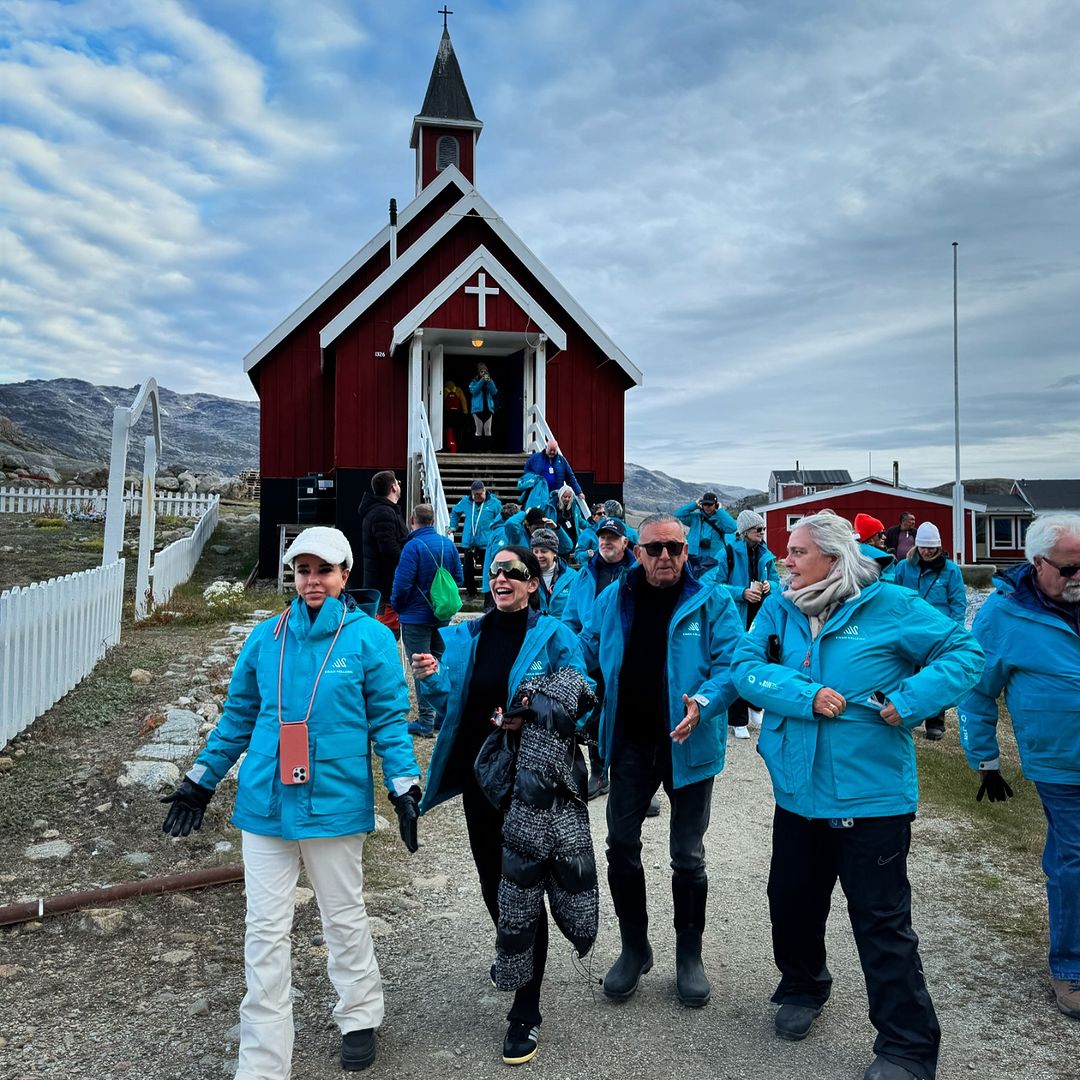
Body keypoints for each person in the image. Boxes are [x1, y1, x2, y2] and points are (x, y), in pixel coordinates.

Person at [160, 526, 421, 1077]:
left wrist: (404, 786)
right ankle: (263, 1060)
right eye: (302, 570)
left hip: (333, 801)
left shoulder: (369, 639)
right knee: (264, 928)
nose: (312, 580)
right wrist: (200, 781)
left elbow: (390, 725)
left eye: (323, 570)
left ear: (344, 574)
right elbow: (236, 719)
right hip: (266, 801)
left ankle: (359, 1014)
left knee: (342, 916)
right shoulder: (265, 638)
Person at [732, 512, 983, 1080]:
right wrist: (806, 693)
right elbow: (746, 668)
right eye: (785, 552)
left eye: (796, 552)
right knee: (791, 901)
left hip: (872, 800)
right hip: (797, 791)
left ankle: (907, 1048)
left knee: (881, 923)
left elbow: (964, 652)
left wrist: (913, 697)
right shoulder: (780, 604)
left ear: (833, 557)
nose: (784, 562)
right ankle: (802, 985)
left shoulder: (889, 604)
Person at [410, 546, 588, 1066]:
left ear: (533, 583)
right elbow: (453, 704)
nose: (501, 578)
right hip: (478, 778)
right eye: (494, 572)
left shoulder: (554, 636)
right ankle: (515, 951)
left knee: (524, 888)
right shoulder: (467, 635)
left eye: (514, 572)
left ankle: (525, 1009)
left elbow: (584, 689)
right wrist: (432, 676)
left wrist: (535, 704)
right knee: (494, 884)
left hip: (529, 783)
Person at [579, 513, 743, 1008]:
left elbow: (735, 664)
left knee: (687, 855)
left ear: (687, 550)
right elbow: (586, 653)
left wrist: (707, 701)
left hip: (688, 744)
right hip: (629, 743)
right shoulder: (615, 600)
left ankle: (688, 956)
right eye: (655, 549)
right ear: (638, 550)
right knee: (620, 844)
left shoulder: (712, 601)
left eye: (674, 547)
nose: (665, 557)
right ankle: (635, 947)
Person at [958, 513, 1080, 1021]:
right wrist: (986, 762)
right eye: (1071, 568)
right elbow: (976, 693)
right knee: (1076, 857)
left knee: (1067, 857)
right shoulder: (1002, 616)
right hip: (1060, 761)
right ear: (1037, 563)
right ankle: (1070, 968)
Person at [562, 516, 637, 801]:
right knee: (592, 717)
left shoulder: (638, 572)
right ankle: (598, 772)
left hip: (626, 659)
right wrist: (571, 650)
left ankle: (633, 780)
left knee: (630, 716)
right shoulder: (584, 574)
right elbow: (570, 618)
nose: (606, 541)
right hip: (590, 658)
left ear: (624, 542)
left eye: (613, 537)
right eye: (602, 537)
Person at [391, 503, 465, 738]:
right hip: (442, 614)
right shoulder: (447, 544)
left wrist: (398, 606)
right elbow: (459, 577)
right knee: (439, 663)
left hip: (415, 616)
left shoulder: (412, 547)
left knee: (421, 666)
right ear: (433, 520)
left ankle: (425, 720)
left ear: (413, 520)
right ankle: (442, 716)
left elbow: (402, 585)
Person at [892, 521, 966, 740]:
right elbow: (894, 596)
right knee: (907, 674)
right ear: (917, 546)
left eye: (931, 548)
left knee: (935, 677)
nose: (926, 552)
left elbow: (958, 602)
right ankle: (906, 715)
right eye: (923, 547)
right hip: (908, 629)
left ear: (939, 547)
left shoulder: (951, 570)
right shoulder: (903, 567)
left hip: (938, 631)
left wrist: (955, 630)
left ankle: (935, 723)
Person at [713, 509, 780, 739]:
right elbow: (714, 585)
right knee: (737, 662)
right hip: (736, 617)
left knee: (758, 660)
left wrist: (771, 586)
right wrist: (742, 592)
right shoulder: (727, 553)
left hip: (760, 616)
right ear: (744, 532)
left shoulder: (766, 554)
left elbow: (776, 581)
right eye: (757, 529)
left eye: (762, 529)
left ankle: (755, 707)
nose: (762, 533)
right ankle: (737, 718)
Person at [357, 470, 408, 635]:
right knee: (387, 635)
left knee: (388, 633)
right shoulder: (383, 512)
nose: (399, 484)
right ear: (393, 487)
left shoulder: (385, 510)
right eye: (397, 482)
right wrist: (410, 565)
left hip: (385, 585)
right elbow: (389, 550)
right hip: (386, 587)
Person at [449, 480, 502, 598]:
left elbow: (500, 519)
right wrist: (453, 526)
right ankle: (471, 592)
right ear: (471, 493)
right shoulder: (466, 502)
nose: (478, 497)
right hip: (469, 543)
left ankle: (489, 594)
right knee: (467, 570)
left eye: (480, 494)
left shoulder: (494, 503)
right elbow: (455, 511)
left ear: (485, 491)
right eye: (475, 495)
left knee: (487, 570)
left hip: (486, 544)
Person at [530, 527, 577, 618]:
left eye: (544, 551)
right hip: (536, 628)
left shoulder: (573, 577)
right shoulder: (527, 577)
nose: (539, 556)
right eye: (535, 551)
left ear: (554, 553)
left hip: (564, 629)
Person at [675, 492, 738, 558]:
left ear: (715, 505)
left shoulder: (721, 520)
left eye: (710, 504)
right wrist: (694, 505)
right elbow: (678, 515)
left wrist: (720, 510)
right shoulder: (695, 518)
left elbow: (733, 527)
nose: (707, 507)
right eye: (705, 504)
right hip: (693, 557)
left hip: (713, 559)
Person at [854, 513, 896, 582]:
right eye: (880, 534)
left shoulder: (852, 555)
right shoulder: (884, 559)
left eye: (884, 533)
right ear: (870, 537)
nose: (884, 537)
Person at [547, 483, 589, 553]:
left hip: (572, 538)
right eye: (565, 497)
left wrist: (592, 527)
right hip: (559, 539)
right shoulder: (551, 507)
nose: (567, 499)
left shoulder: (574, 507)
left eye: (569, 497)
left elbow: (580, 521)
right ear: (560, 496)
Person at [469, 362, 498, 442]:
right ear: (478, 372)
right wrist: (481, 381)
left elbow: (494, 392)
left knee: (488, 430)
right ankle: (478, 450)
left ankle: (488, 451)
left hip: (488, 409)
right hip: (477, 410)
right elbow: (474, 391)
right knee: (478, 431)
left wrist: (490, 381)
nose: (483, 373)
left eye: (485, 372)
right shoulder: (473, 382)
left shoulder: (489, 382)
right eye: (481, 372)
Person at [443, 380, 468, 453]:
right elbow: (463, 401)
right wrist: (465, 412)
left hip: (448, 414)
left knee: (448, 430)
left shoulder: (444, 390)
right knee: (457, 431)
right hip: (457, 414)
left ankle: (450, 447)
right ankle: (458, 448)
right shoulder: (458, 390)